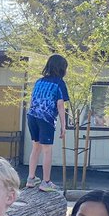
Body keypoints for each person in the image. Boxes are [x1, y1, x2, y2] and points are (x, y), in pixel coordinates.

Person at [25, 54, 70, 193]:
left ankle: (30, 179)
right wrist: (64, 126)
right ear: (62, 68)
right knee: (47, 150)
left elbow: (33, 101)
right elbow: (60, 105)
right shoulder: (59, 83)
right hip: (46, 118)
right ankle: (46, 181)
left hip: (32, 116)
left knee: (35, 148)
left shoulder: (39, 82)